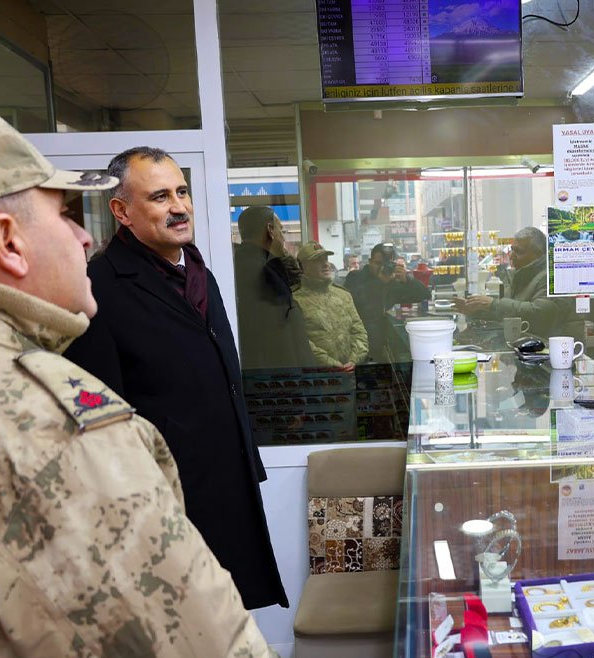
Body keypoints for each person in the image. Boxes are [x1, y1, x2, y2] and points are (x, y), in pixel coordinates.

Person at [0, 106, 282, 658]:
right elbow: (203, 649)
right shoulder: (49, 423)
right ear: (8, 240)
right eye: (59, 213)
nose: (81, 235)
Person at [63, 148, 288, 611]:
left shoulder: (201, 274)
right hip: (165, 498)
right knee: (183, 620)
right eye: (160, 196)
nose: (180, 207)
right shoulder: (98, 288)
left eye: (182, 192)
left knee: (228, 611)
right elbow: (98, 421)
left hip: (227, 479)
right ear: (121, 211)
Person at [453, 226, 582, 340]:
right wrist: (476, 309)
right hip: (526, 347)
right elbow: (508, 315)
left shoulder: (554, 277)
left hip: (554, 351)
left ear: (538, 254)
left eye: (518, 252)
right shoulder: (518, 276)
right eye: (512, 250)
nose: (511, 256)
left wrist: (493, 304)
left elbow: (541, 314)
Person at [233, 205, 316, 369]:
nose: (283, 238)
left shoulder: (251, 265)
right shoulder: (260, 271)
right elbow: (276, 333)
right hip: (278, 372)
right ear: (270, 230)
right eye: (281, 231)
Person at [343, 241, 429, 361]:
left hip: (384, 344)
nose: (382, 268)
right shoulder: (355, 277)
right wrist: (380, 282)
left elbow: (424, 295)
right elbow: (357, 300)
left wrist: (407, 279)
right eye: (378, 263)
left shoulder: (392, 282)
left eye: (387, 264)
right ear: (370, 261)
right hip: (358, 343)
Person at [292, 241, 368, 370]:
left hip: (350, 371)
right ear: (303, 266)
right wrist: (330, 364)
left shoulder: (343, 295)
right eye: (317, 260)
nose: (326, 264)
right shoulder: (295, 299)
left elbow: (359, 331)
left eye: (326, 259)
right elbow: (300, 340)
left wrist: (354, 360)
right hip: (318, 374)